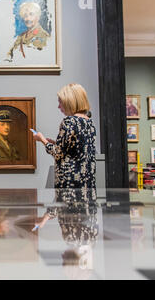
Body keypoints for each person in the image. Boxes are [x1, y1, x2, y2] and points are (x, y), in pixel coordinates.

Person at [33, 83, 97, 228]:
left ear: (70, 101)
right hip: (87, 188)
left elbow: (58, 153)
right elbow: (76, 150)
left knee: (71, 230)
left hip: (69, 187)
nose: (59, 106)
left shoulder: (69, 122)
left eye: (60, 102)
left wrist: (42, 140)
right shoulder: (89, 122)